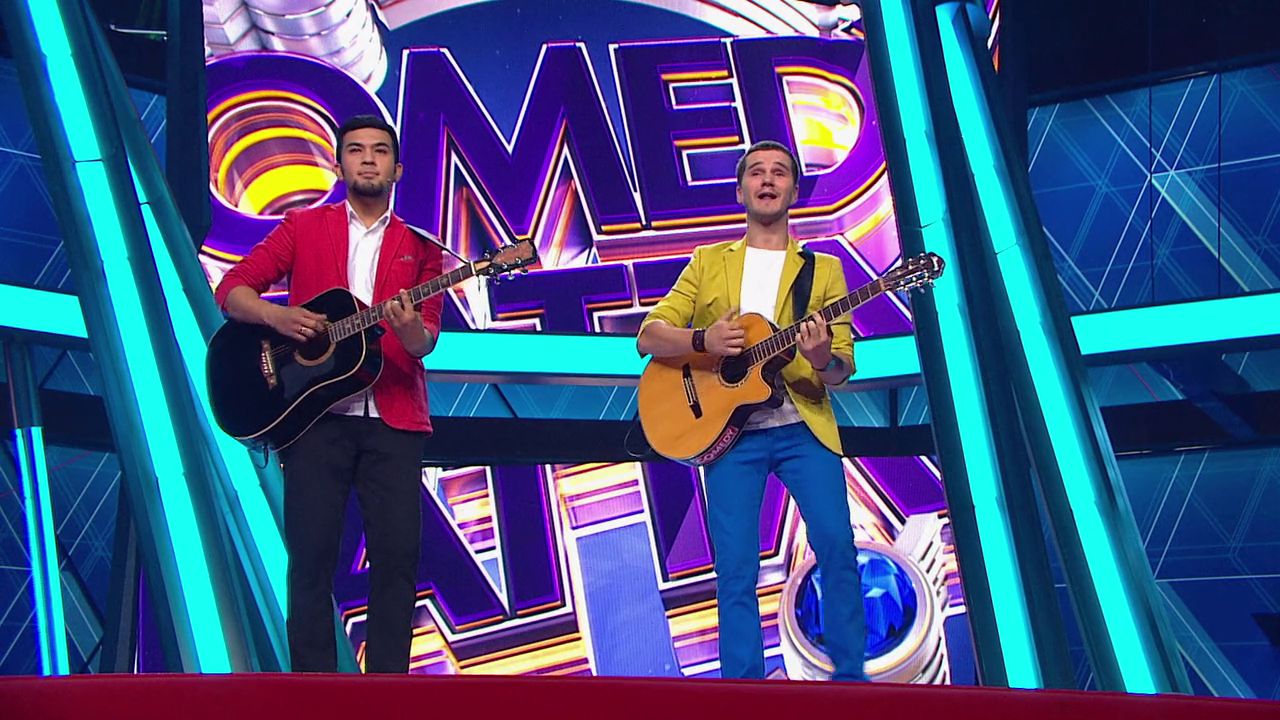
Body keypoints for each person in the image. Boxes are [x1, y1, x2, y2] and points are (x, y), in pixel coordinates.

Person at [214, 115, 442, 673]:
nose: (368, 159)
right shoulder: (303, 227)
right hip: (313, 417)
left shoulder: (421, 247)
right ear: (340, 166)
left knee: (398, 559)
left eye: (380, 151)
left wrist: (408, 328)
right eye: (356, 150)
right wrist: (278, 317)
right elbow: (232, 289)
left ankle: (387, 693)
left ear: (397, 169)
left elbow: (424, 342)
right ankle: (312, 694)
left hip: (393, 418)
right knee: (311, 559)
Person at [637, 140, 866, 681]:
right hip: (730, 435)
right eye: (757, 172)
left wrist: (820, 356)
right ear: (741, 190)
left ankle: (851, 682)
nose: (767, 180)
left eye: (779, 172)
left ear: (794, 190)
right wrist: (704, 339)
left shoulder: (824, 270)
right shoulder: (708, 262)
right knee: (735, 568)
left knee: (837, 544)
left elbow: (841, 369)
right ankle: (744, 690)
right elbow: (649, 336)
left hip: (803, 427)